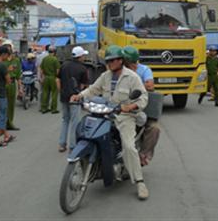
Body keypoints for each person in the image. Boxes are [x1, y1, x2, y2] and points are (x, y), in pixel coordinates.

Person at [70, 45, 149, 200]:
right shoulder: (105, 76)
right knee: (86, 129)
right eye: (108, 61)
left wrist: (130, 106)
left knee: (128, 146)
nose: (110, 63)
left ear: (120, 61)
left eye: (112, 60)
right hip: (105, 113)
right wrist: (79, 96)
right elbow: (93, 89)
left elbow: (143, 98)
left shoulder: (132, 77)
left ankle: (139, 182)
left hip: (124, 116)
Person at [123, 45, 161, 167]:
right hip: (119, 105)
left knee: (154, 128)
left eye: (127, 62)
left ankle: (144, 155)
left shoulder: (144, 70)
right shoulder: (118, 70)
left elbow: (150, 86)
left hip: (138, 106)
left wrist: (133, 87)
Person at [57, 46, 89, 152]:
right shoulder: (82, 68)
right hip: (75, 98)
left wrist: (60, 91)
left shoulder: (64, 65)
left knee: (65, 120)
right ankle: (73, 145)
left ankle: (62, 144)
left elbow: (58, 79)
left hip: (64, 97)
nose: (84, 57)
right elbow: (84, 85)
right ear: (80, 56)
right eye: (83, 55)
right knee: (75, 121)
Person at [4, 42, 22, 131]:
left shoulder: (16, 60)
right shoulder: (1, 61)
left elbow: (18, 76)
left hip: (12, 83)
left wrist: (20, 88)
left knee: (11, 104)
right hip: (3, 83)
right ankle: (3, 123)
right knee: (3, 105)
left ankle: (10, 122)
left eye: (9, 49)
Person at [40, 46, 60, 114]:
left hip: (46, 77)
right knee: (54, 93)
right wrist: (57, 77)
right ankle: (53, 109)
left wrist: (42, 77)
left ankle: (44, 108)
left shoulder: (44, 59)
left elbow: (41, 69)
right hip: (53, 78)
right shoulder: (55, 59)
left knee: (45, 93)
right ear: (54, 52)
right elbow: (57, 70)